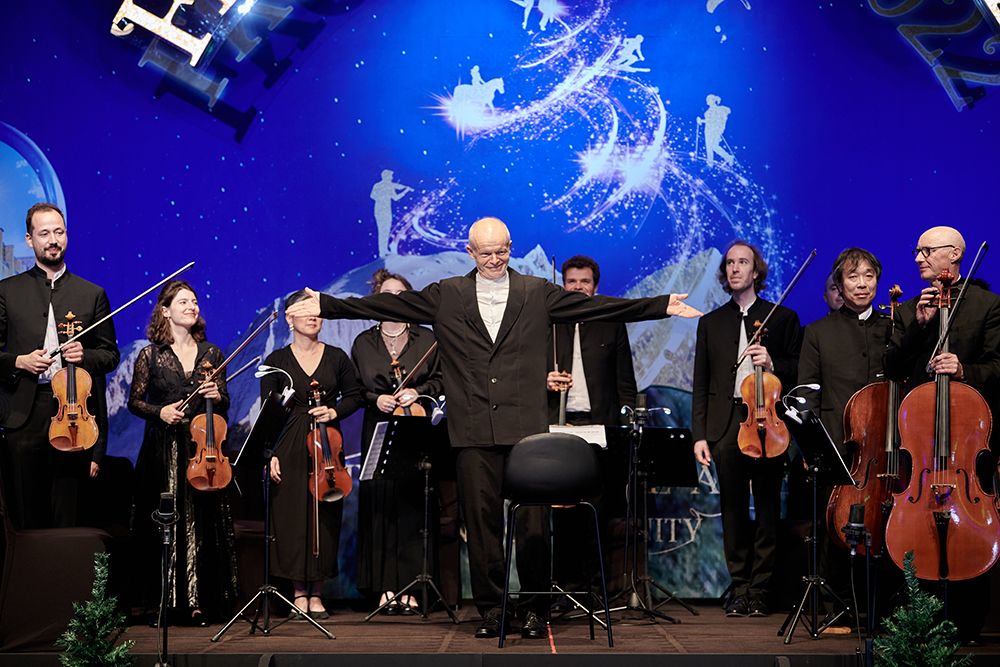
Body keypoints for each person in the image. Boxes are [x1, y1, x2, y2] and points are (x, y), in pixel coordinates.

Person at [286, 216, 701, 639]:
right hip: (472, 430)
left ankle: (537, 608)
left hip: (527, 431)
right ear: (470, 252)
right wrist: (328, 304)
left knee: (534, 526)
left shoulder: (535, 292)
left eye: (501, 250)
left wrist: (660, 304)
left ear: (510, 247)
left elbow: (596, 306)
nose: (494, 259)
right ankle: (492, 609)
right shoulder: (447, 294)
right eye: (485, 252)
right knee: (483, 527)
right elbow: (386, 305)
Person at [884, 226, 1000, 643]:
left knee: (972, 519)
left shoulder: (988, 306)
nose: (918, 257)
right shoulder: (910, 309)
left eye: (927, 251)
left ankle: (969, 620)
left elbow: (999, 367)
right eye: (916, 250)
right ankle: (920, 615)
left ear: (954, 255)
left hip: (968, 445)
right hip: (924, 446)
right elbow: (892, 369)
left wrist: (965, 370)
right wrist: (918, 327)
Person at [691, 240, 801, 617]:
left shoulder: (782, 319)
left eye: (744, 263)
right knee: (733, 510)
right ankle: (739, 587)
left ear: (756, 272)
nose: (735, 268)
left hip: (768, 424)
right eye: (730, 263)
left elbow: (798, 371)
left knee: (769, 509)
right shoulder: (710, 323)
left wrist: (772, 362)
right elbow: (701, 383)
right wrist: (700, 435)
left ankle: (762, 589)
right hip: (726, 427)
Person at [0, 202, 119, 529]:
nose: (53, 240)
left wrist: (87, 356)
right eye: (44, 233)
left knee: (68, 514)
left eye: (59, 232)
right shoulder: (7, 292)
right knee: (25, 516)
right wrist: (19, 361)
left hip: (74, 414)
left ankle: (65, 580)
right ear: (29, 240)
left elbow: (110, 355)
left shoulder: (92, 294)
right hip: (24, 415)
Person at [128, 280, 238, 626]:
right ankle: (163, 602)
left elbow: (225, 403)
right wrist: (159, 412)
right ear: (166, 311)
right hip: (163, 450)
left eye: (194, 301)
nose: (192, 306)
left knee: (203, 524)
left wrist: (215, 396)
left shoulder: (213, 355)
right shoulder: (151, 354)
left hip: (202, 451)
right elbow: (135, 401)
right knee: (165, 523)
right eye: (183, 302)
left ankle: (199, 601)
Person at [262, 290, 363, 620]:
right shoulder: (276, 361)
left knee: (326, 515)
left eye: (315, 309)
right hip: (289, 440)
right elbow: (269, 412)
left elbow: (355, 396)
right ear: (289, 318)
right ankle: (298, 592)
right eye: (303, 310)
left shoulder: (336, 357)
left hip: (327, 445)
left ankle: (317, 591)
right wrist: (270, 454)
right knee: (290, 516)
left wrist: (333, 411)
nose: (313, 315)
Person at [350, 269, 443, 614]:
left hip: (415, 425)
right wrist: (377, 398)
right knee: (382, 505)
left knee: (413, 505)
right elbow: (356, 389)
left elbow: (441, 380)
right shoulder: (364, 342)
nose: (393, 298)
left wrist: (418, 390)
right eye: (386, 293)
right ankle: (385, 587)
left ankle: (413, 586)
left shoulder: (427, 339)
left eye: (400, 293)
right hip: (379, 424)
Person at [545, 255, 637, 595]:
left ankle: (595, 589)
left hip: (600, 429)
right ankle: (563, 588)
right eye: (572, 281)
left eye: (584, 281)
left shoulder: (611, 322)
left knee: (596, 512)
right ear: (563, 285)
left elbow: (625, 381)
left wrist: (625, 425)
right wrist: (546, 379)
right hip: (560, 428)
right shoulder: (550, 324)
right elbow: (528, 375)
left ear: (595, 286)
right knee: (561, 513)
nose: (578, 287)